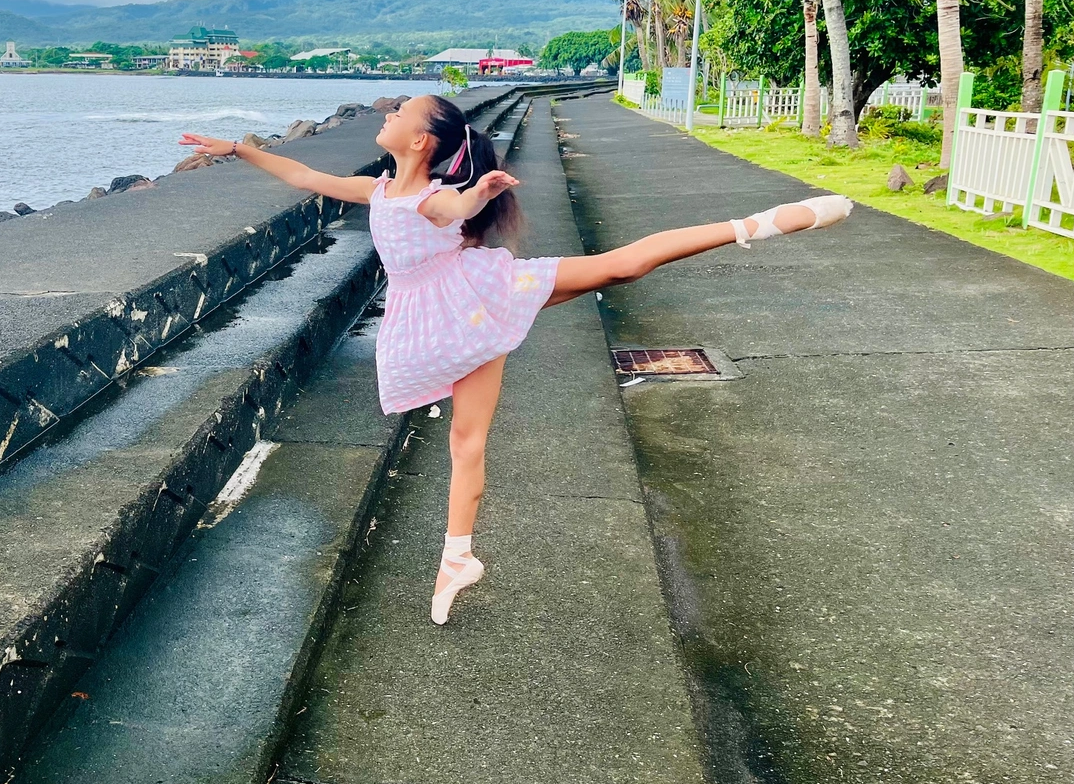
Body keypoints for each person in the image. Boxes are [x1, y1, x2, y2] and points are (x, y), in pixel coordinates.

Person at [180, 94, 851, 624]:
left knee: (616, 269)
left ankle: (754, 225)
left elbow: (453, 205)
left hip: (474, 297)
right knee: (466, 443)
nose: (387, 114)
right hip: (441, 320)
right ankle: (458, 557)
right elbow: (303, 173)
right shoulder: (378, 191)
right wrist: (237, 147)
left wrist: (478, 194)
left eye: (399, 111)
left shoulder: (425, 196)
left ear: (421, 142)